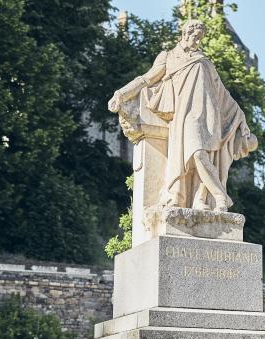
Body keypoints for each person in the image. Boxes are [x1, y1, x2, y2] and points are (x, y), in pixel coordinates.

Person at [108, 19, 256, 212]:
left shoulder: (205, 62)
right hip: (185, 115)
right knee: (197, 154)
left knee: (203, 157)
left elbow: (222, 93)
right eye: (195, 36)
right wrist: (122, 93)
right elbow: (146, 78)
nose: (197, 41)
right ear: (185, 33)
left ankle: (201, 200)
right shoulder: (168, 57)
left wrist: (240, 116)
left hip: (210, 117)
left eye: (200, 37)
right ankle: (221, 197)